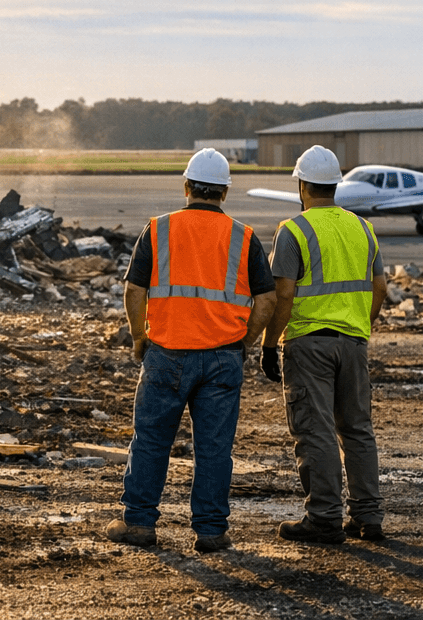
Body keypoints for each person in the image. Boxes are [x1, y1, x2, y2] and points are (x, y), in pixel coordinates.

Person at [104, 148, 278, 553]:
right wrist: (244, 342)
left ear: (186, 186)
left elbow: (134, 290)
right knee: (214, 448)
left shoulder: (158, 229)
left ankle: (139, 523)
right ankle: (211, 530)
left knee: (150, 440)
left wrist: (138, 337)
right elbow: (267, 301)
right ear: (224, 193)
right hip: (223, 357)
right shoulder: (245, 237)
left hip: (166, 352)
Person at [261, 145, 388, 544]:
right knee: (357, 430)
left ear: (302, 185)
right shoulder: (362, 228)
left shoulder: (293, 230)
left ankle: (325, 517)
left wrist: (268, 344)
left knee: (315, 431)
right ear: (335, 184)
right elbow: (380, 287)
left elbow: (282, 295)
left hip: (309, 344)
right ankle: (368, 517)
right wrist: (356, 327)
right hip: (353, 342)